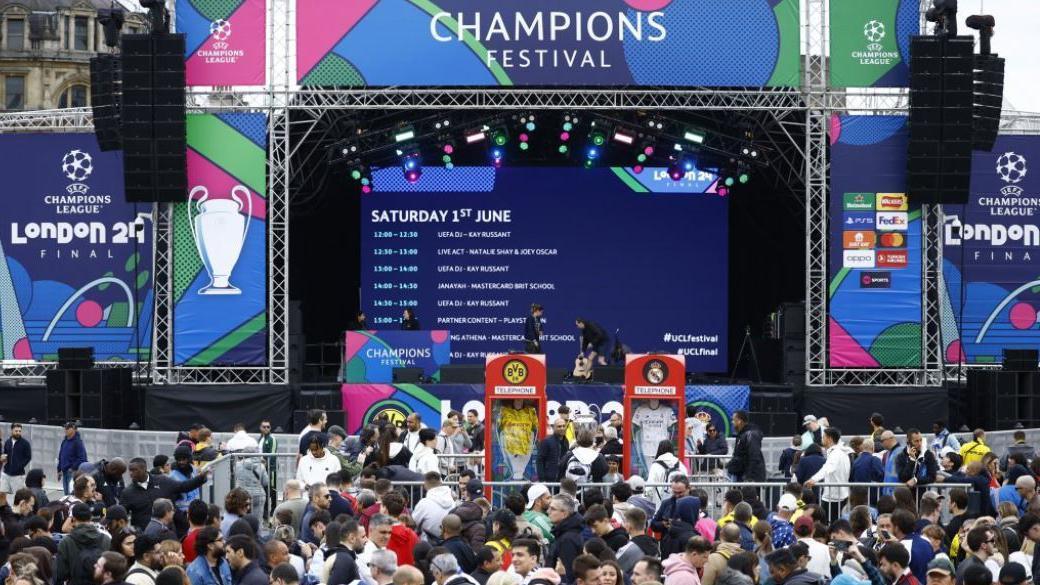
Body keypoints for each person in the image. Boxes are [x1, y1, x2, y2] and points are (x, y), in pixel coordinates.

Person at [121, 457, 209, 531]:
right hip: (144, 538)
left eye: (134, 470)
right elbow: (122, 515)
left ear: (144, 469)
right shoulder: (127, 493)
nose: (131, 474)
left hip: (167, 535)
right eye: (130, 471)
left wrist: (200, 478)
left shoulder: (162, 481)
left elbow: (183, 486)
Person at [55, 503, 112, 585]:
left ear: (73, 519)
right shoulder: (106, 539)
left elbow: (62, 573)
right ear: (91, 517)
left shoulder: (66, 542)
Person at [803, 427, 853, 521]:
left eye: (823, 437)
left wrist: (813, 479)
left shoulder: (836, 453)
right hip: (840, 494)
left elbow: (827, 468)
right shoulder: (843, 452)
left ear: (829, 439)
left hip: (833, 496)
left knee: (828, 523)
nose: (822, 439)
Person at [546, 494, 584, 584]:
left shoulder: (567, 539)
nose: (548, 511)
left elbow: (569, 574)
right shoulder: (564, 533)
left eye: (553, 509)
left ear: (564, 513)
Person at [413, 472, 455, 542]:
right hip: (449, 541)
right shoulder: (453, 501)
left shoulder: (423, 504)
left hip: (428, 544)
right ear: (441, 482)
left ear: (425, 484)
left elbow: (414, 523)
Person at [647, 439, 690, 504]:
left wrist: (646, 499)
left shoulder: (655, 465)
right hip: (680, 503)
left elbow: (649, 486)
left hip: (661, 503)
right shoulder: (680, 464)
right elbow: (687, 481)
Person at [728, 410, 766, 482]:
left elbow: (754, 456)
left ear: (739, 421)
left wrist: (749, 477)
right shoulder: (742, 434)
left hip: (750, 477)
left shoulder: (751, 435)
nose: (732, 422)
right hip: (742, 474)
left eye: (733, 420)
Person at [1, 423, 31, 495]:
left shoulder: (25, 443)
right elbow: (5, 454)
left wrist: (19, 466)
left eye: (19, 431)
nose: (18, 433)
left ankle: (14, 506)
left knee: (18, 496)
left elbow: (28, 457)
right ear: (12, 430)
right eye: (16, 431)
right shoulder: (8, 442)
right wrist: (3, 458)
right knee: (1, 494)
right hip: (6, 473)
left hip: (18, 475)